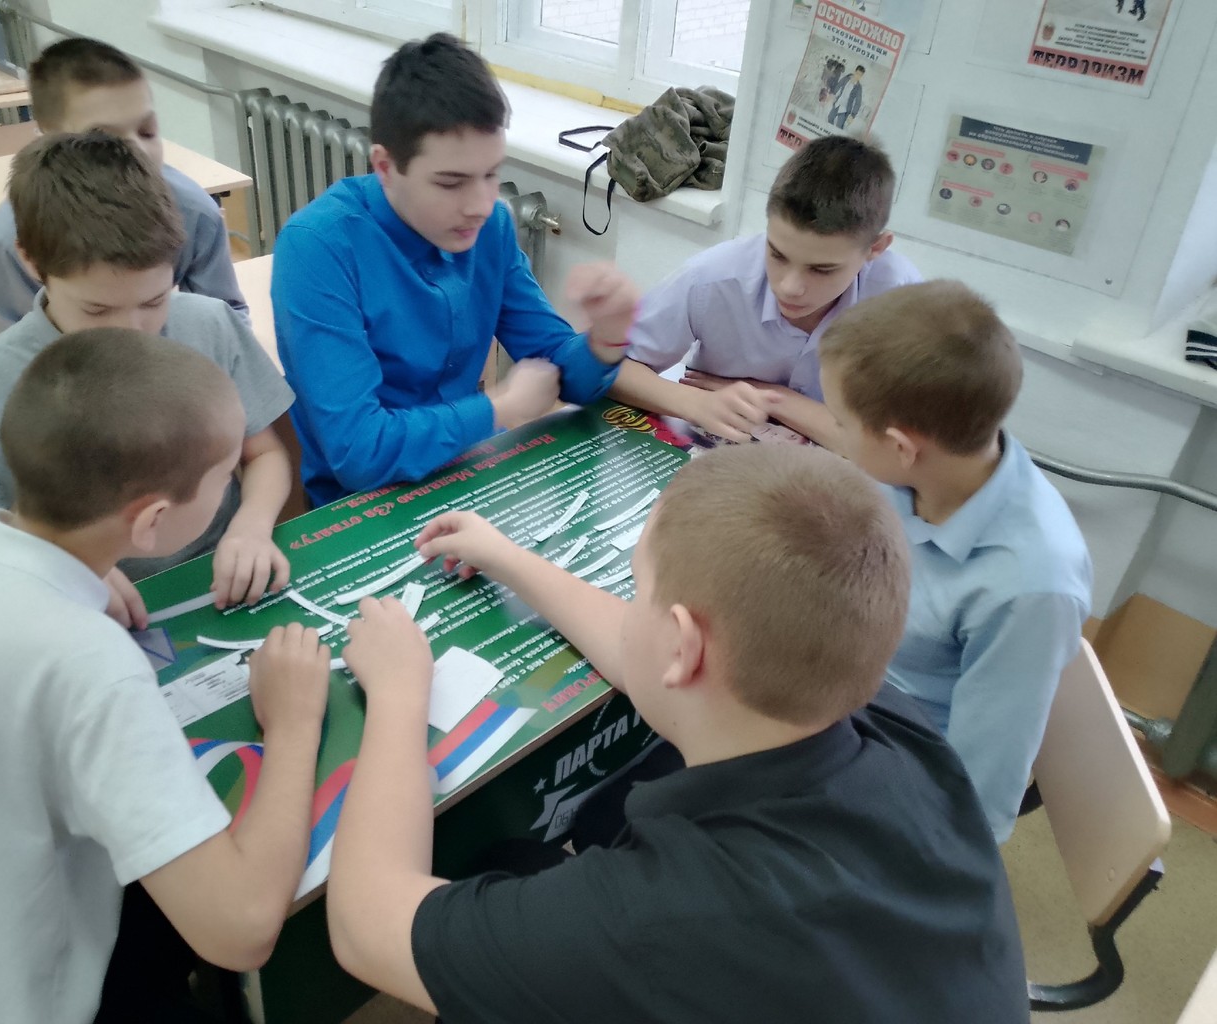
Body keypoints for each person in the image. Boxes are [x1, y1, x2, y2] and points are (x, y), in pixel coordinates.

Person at [325, 443, 1030, 1023]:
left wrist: (399, 693)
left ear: (685, 645)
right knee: (523, 860)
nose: (631, 608)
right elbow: (652, 654)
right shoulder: (885, 718)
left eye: (639, 590)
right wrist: (509, 559)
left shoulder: (661, 920)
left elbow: (365, 926)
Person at [0, 330, 327, 1024]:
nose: (232, 484)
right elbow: (242, 929)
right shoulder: (89, 665)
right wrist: (293, 724)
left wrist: (79, 575)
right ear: (153, 522)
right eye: (225, 475)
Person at [0, 132, 296, 628]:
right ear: (31, 260)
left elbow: (266, 453)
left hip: (217, 581)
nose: (132, 331)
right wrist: (51, 565)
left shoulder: (208, 325)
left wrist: (252, 527)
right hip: (73, 612)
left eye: (154, 301)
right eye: (97, 309)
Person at [272, 32, 639, 506]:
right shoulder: (319, 247)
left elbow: (557, 369)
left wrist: (606, 339)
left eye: (492, 174)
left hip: (470, 472)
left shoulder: (492, 228)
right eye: (451, 183)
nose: (481, 205)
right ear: (385, 166)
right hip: (364, 504)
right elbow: (359, 451)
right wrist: (497, 409)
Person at [819, 280, 1093, 842]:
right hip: (849, 689)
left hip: (900, 758)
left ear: (902, 447)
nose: (837, 436)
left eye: (841, 424)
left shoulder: (1028, 585)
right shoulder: (917, 476)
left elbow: (977, 799)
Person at [610, 135, 920, 448]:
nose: (789, 287)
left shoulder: (901, 302)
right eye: (777, 254)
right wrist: (695, 403)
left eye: (821, 269)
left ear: (875, 248)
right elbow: (608, 367)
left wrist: (776, 399)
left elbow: (896, 443)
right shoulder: (713, 277)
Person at [0, 36, 248, 334]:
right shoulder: (12, 234)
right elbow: (17, 339)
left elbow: (228, 318)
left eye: (147, 131)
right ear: (49, 140)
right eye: (103, 140)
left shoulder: (196, 213)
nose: (137, 151)